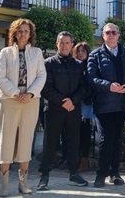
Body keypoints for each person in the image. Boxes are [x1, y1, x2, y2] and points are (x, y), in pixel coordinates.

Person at [0, 18, 46, 196]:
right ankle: (4, 184)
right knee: (7, 139)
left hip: (31, 101)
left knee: (25, 139)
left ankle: (23, 183)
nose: (23, 34)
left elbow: (41, 76)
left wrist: (30, 94)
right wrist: (17, 93)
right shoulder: (5, 53)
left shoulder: (37, 53)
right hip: (9, 100)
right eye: (19, 31)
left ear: (30, 34)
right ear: (14, 34)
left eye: (26, 31)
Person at [37, 32, 89, 191]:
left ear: (72, 45)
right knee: (50, 143)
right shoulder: (48, 64)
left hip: (73, 109)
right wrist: (62, 101)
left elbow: (84, 87)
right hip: (53, 109)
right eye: (62, 43)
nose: (65, 45)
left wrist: (72, 101)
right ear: (56, 44)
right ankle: (44, 176)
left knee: (74, 142)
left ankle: (74, 173)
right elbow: (45, 88)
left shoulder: (79, 65)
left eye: (68, 43)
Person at [87, 23, 125, 188]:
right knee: (105, 139)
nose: (111, 35)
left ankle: (115, 173)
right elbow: (91, 78)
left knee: (117, 139)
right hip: (104, 104)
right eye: (107, 32)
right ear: (103, 35)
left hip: (122, 103)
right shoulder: (95, 55)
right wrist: (108, 85)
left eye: (114, 32)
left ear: (118, 34)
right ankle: (101, 174)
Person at [73, 42, 93, 172]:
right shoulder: (73, 66)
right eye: (78, 51)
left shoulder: (91, 67)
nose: (80, 53)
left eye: (83, 51)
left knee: (85, 132)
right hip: (74, 102)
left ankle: (84, 159)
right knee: (73, 132)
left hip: (86, 102)